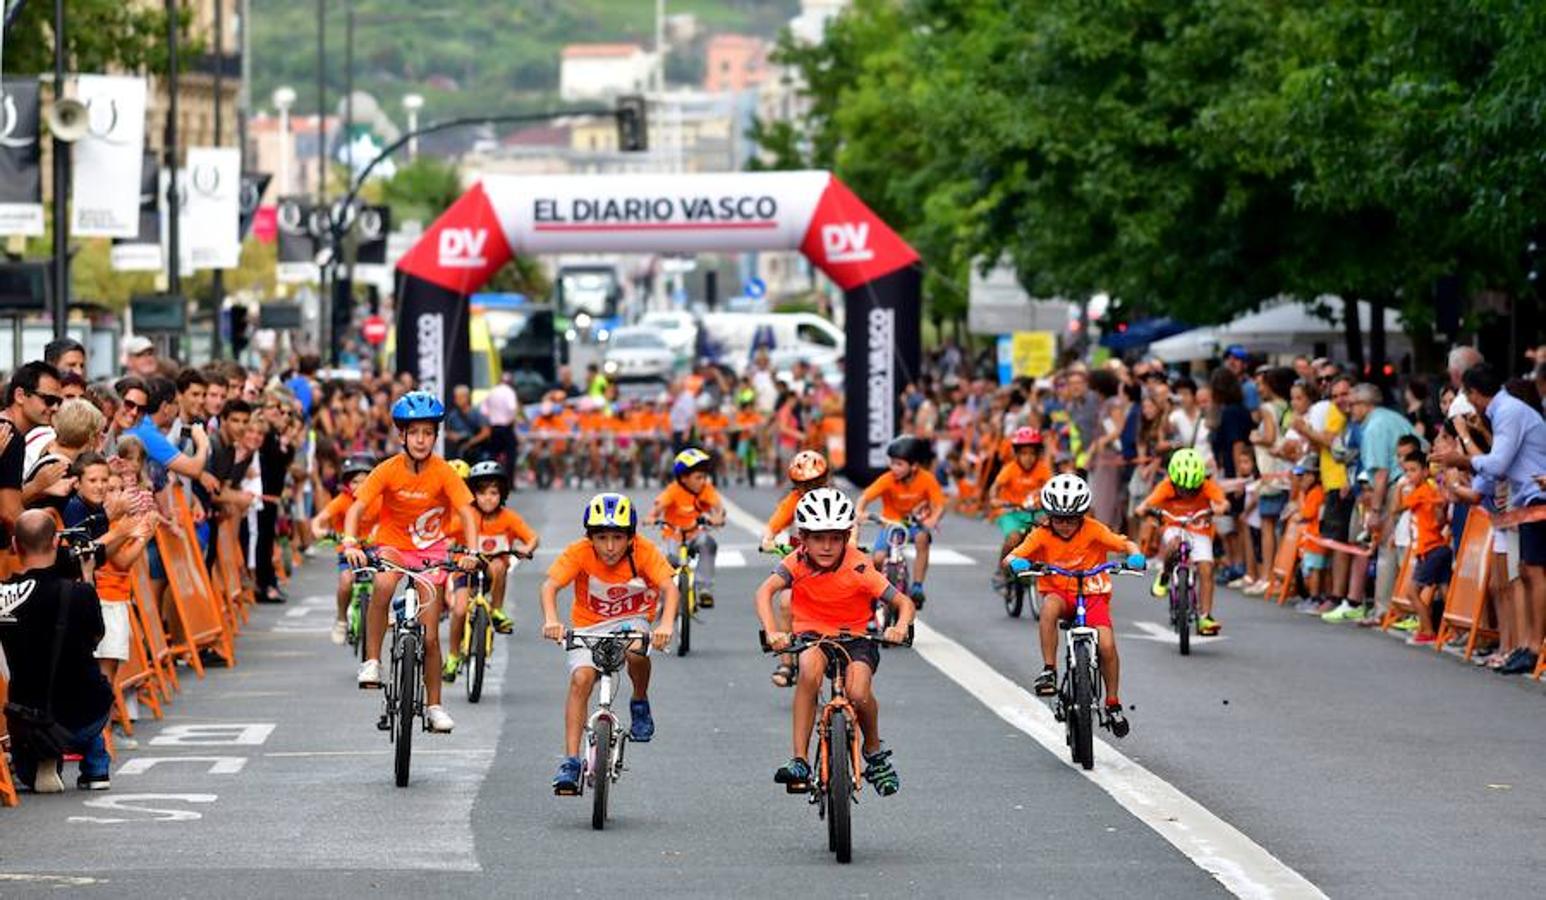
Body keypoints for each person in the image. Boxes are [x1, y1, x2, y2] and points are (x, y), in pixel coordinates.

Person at [754, 488, 915, 793]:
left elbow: (903, 603)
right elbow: (764, 592)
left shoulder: (859, 565)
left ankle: (874, 753)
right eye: (817, 538)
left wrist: (901, 626)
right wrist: (773, 631)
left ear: (845, 536)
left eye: (835, 538)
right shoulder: (796, 561)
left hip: (856, 636)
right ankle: (799, 759)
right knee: (809, 672)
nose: (826, 546)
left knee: (858, 691)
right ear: (803, 537)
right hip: (812, 636)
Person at [341, 391, 480, 734]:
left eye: (428, 433)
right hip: (393, 546)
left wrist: (473, 553)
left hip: (432, 552)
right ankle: (372, 661)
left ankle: (434, 707)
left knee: (431, 636)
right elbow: (357, 507)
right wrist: (349, 540)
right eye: (414, 432)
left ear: (435, 436)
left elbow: (467, 511)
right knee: (383, 583)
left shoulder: (444, 472)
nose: (421, 439)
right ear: (401, 435)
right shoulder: (387, 469)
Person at [539, 493, 678, 795]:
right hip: (589, 625)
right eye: (602, 537)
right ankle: (571, 760)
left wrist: (665, 625)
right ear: (590, 537)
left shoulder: (644, 552)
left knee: (636, 650)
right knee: (581, 679)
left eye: (618, 537)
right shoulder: (579, 553)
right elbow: (550, 586)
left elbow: (669, 587)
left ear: (631, 537)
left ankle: (639, 700)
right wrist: (551, 620)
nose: (610, 546)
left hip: (633, 621)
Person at [1003, 474, 1144, 737]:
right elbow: (1013, 555)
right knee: (1047, 609)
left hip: (1092, 594)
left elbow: (1124, 543)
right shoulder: (1041, 534)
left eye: (1071, 519)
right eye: (1058, 519)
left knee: (1107, 645)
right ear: (1049, 516)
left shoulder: (1093, 529)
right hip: (1058, 592)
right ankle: (1049, 671)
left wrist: (1135, 555)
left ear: (1082, 515)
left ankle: (1113, 703)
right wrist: (1015, 562)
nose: (1065, 525)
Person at [1432, 362, 1546, 675]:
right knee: (1525, 572)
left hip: (1536, 496)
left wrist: (1462, 459)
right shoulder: (1505, 412)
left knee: (1533, 573)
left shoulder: (1508, 411)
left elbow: (1497, 464)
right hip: (1525, 498)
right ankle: (1526, 645)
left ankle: (1533, 647)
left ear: (1473, 394)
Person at [0, 510, 115, 792]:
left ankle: (42, 756)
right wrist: (88, 578)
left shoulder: (3, 595)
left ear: (15, 546)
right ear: (55, 543)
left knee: (29, 772)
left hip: (28, 716)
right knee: (94, 689)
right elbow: (96, 636)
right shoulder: (78, 593)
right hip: (83, 714)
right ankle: (95, 764)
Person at [442, 461, 539, 680]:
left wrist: (526, 548)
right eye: (482, 493)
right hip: (464, 571)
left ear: (502, 494)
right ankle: (453, 656)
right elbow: (445, 533)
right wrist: (447, 545)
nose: (487, 498)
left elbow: (532, 537)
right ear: (473, 494)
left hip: (492, 572)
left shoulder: (509, 518)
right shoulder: (467, 517)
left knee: (498, 565)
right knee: (458, 611)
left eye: (493, 493)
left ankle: (496, 610)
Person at [1136, 448, 1230, 635]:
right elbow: (1146, 504)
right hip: (1174, 525)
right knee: (1174, 544)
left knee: (1206, 568)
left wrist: (1220, 508)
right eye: (1182, 490)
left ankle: (1205, 617)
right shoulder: (1166, 486)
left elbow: (1223, 502)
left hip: (1199, 527)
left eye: (1192, 490)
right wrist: (1144, 509)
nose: (1187, 494)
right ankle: (1165, 574)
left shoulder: (1206, 485)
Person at [759, 450, 831, 687]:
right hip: (801, 563)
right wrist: (768, 539)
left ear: (825, 480)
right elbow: (774, 523)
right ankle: (787, 661)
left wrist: (852, 544)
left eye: (816, 483)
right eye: (804, 484)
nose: (810, 489)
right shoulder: (792, 501)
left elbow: (851, 527)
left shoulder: (835, 500)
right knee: (786, 602)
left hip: (832, 565)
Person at [856, 435, 944, 606]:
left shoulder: (927, 479)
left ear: (914, 466)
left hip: (914, 524)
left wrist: (933, 519)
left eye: (899, 464)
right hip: (890, 524)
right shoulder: (888, 479)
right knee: (878, 558)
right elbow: (865, 497)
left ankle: (917, 586)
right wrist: (860, 511)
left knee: (922, 538)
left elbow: (939, 504)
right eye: (892, 463)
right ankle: (874, 598)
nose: (893, 468)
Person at [309, 456, 380, 645]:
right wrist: (318, 529)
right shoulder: (342, 500)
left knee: (384, 581)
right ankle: (341, 619)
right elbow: (319, 519)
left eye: (365, 481)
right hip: (348, 550)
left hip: (372, 548)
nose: (360, 485)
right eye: (355, 481)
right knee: (346, 582)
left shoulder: (379, 499)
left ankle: (381, 613)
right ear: (347, 483)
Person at [648, 448, 726, 607]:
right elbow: (659, 505)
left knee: (708, 543)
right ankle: (663, 599)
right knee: (667, 561)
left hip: (695, 534)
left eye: (704, 477)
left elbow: (718, 507)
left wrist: (718, 517)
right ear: (683, 478)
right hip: (673, 536)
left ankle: (704, 588)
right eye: (698, 477)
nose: (703, 481)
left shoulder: (706, 489)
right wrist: (651, 517)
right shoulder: (673, 490)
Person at [1388, 451, 1450, 644]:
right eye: (1406, 471)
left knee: (1412, 593)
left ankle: (1428, 629)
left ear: (1425, 472)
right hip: (1439, 547)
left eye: (1413, 470)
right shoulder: (1429, 492)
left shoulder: (1421, 491)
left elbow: (1395, 508)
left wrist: (1399, 487)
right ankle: (1452, 631)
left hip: (1431, 549)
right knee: (1445, 591)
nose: (1409, 476)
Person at [988, 427, 1052, 577]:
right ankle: (1002, 569)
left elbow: (1052, 486)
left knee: (1047, 533)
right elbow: (995, 488)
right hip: (1012, 512)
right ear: (1016, 454)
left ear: (1037, 454)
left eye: (1032, 453)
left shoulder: (1043, 469)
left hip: (1036, 511)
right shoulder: (1009, 469)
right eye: (1024, 453)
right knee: (1014, 537)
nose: (1028, 458)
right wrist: (994, 500)